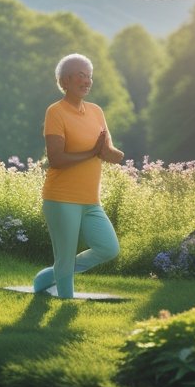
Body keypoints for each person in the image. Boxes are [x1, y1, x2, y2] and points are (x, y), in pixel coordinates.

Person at [33, 53, 123, 298]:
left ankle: (49, 276)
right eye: (81, 75)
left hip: (90, 200)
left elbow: (106, 151)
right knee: (65, 253)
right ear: (65, 81)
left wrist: (114, 154)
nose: (87, 81)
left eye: (89, 76)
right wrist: (92, 152)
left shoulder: (96, 111)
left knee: (108, 248)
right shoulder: (56, 112)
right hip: (61, 198)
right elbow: (57, 159)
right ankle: (65, 301)